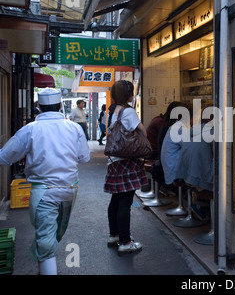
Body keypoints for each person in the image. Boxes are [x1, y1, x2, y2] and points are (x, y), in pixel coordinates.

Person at [0, 88, 90, 275]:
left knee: (46, 237)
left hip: (44, 193)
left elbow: (5, 157)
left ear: (39, 107)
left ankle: (47, 268)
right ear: (59, 106)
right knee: (54, 234)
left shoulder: (30, 129)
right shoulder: (73, 128)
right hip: (70, 189)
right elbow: (84, 157)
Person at [104, 80, 149, 255]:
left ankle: (114, 235)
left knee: (116, 200)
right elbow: (143, 132)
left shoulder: (112, 111)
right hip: (127, 162)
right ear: (129, 94)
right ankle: (125, 242)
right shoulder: (128, 111)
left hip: (114, 161)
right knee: (125, 202)